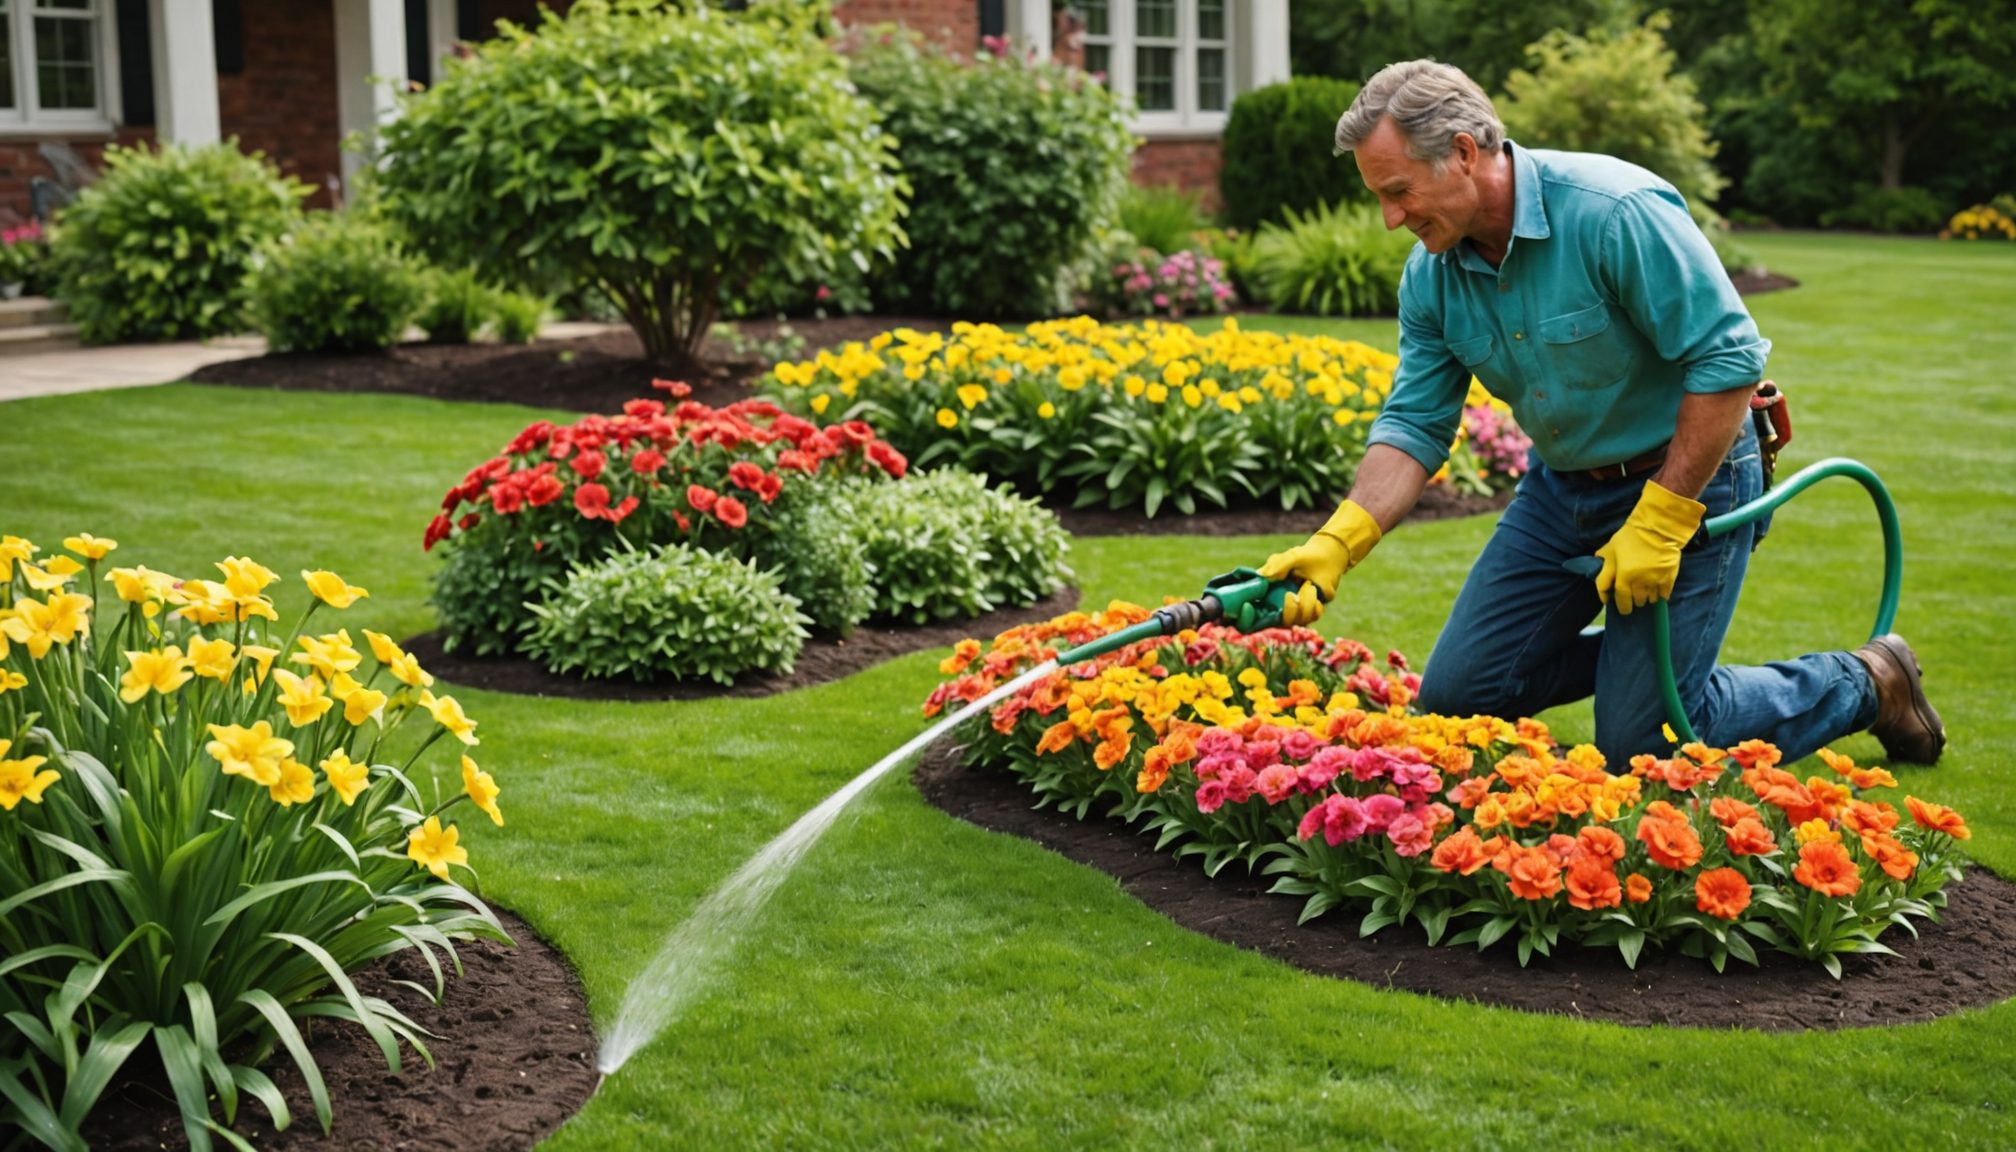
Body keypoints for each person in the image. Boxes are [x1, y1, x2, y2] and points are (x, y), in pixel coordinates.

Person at [1257, 60, 1943, 767]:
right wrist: (1341, 541)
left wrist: (1664, 516)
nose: (1391, 218)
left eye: (1398, 191)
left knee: (1649, 741)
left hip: (1692, 479)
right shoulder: (1432, 275)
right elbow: (1416, 424)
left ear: (1463, 151)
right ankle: (1643, 665)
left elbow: (1728, 359)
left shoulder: (1614, 211)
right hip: (1564, 491)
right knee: (1457, 700)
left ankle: (1870, 681)